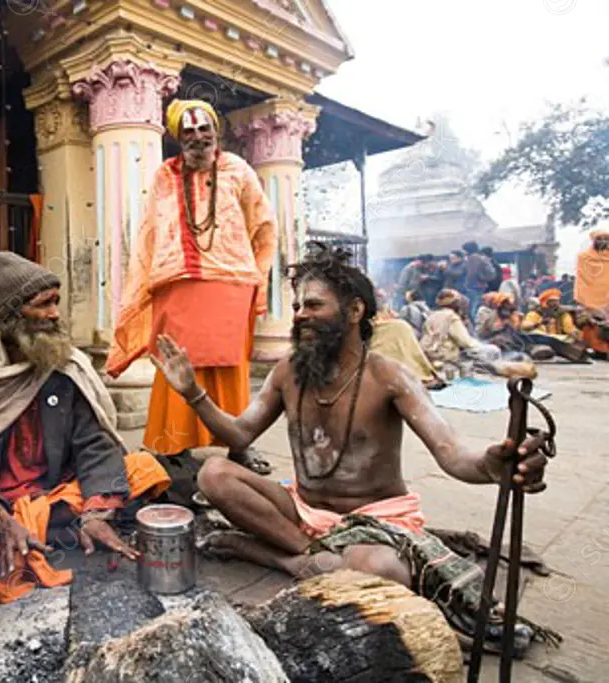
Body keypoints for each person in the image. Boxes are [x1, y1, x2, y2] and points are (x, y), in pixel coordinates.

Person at [149, 243, 554, 646]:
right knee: (214, 474)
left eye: (314, 306)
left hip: (375, 522)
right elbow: (239, 435)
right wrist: (193, 393)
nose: (301, 316)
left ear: (355, 311)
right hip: (304, 509)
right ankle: (310, 557)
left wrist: (490, 466)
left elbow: (450, 452)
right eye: (297, 308)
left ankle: (279, 556)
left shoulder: (390, 376)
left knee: (379, 569)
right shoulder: (288, 371)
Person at [0, 249, 171, 602]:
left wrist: (96, 510)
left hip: (60, 492)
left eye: (56, 302)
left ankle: (77, 531)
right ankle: (50, 539)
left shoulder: (64, 364)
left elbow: (94, 440)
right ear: (12, 315)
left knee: (144, 469)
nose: (54, 314)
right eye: (42, 305)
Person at [106, 98, 275, 461]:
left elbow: (260, 224)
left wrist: (256, 275)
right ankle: (172, 443)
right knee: (176, 362)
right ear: (178, 137)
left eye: (204, 129)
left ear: (215, 132)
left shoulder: (238, 170)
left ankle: (238, 443)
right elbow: (151, 231)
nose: (198, 137)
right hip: (177, 281)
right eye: (189, 131)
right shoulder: (165, 176)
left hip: (230, 281)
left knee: (229, 367)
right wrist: (145, 282)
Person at [419, 289, 500, 376]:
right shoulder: (452, 317)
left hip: (429, 355)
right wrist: (482, 345)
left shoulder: (432, 315)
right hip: (445, 356)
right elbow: (466, 342)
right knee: (493, 350)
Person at [520, 288, 589, 362]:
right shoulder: (535, 313)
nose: (556, 303)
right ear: (546, 302)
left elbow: (569, 328)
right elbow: (524, 326)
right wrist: (539, 323)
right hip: (539, 338)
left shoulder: (562, 314)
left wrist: (574, 332)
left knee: (567, 341)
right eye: (552, 301)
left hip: (557, 339)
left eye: (557, 301)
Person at [575, 230, 609, 359]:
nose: (603, 242)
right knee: (591, 325)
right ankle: (597, 350)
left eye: (606, 240)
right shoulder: (584, 257)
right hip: (590, 297)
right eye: (600, 239)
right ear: (594, 241)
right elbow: (582, 279)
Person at [462, 241, 497, 318]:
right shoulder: (477, 258)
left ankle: (476, 326)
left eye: (464, 250)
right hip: (478, 286)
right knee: (475, 308)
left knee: (473, 310)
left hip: (475, 287)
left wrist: (480, 278)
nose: (463, 252)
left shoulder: (475, 259)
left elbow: (472, 273)